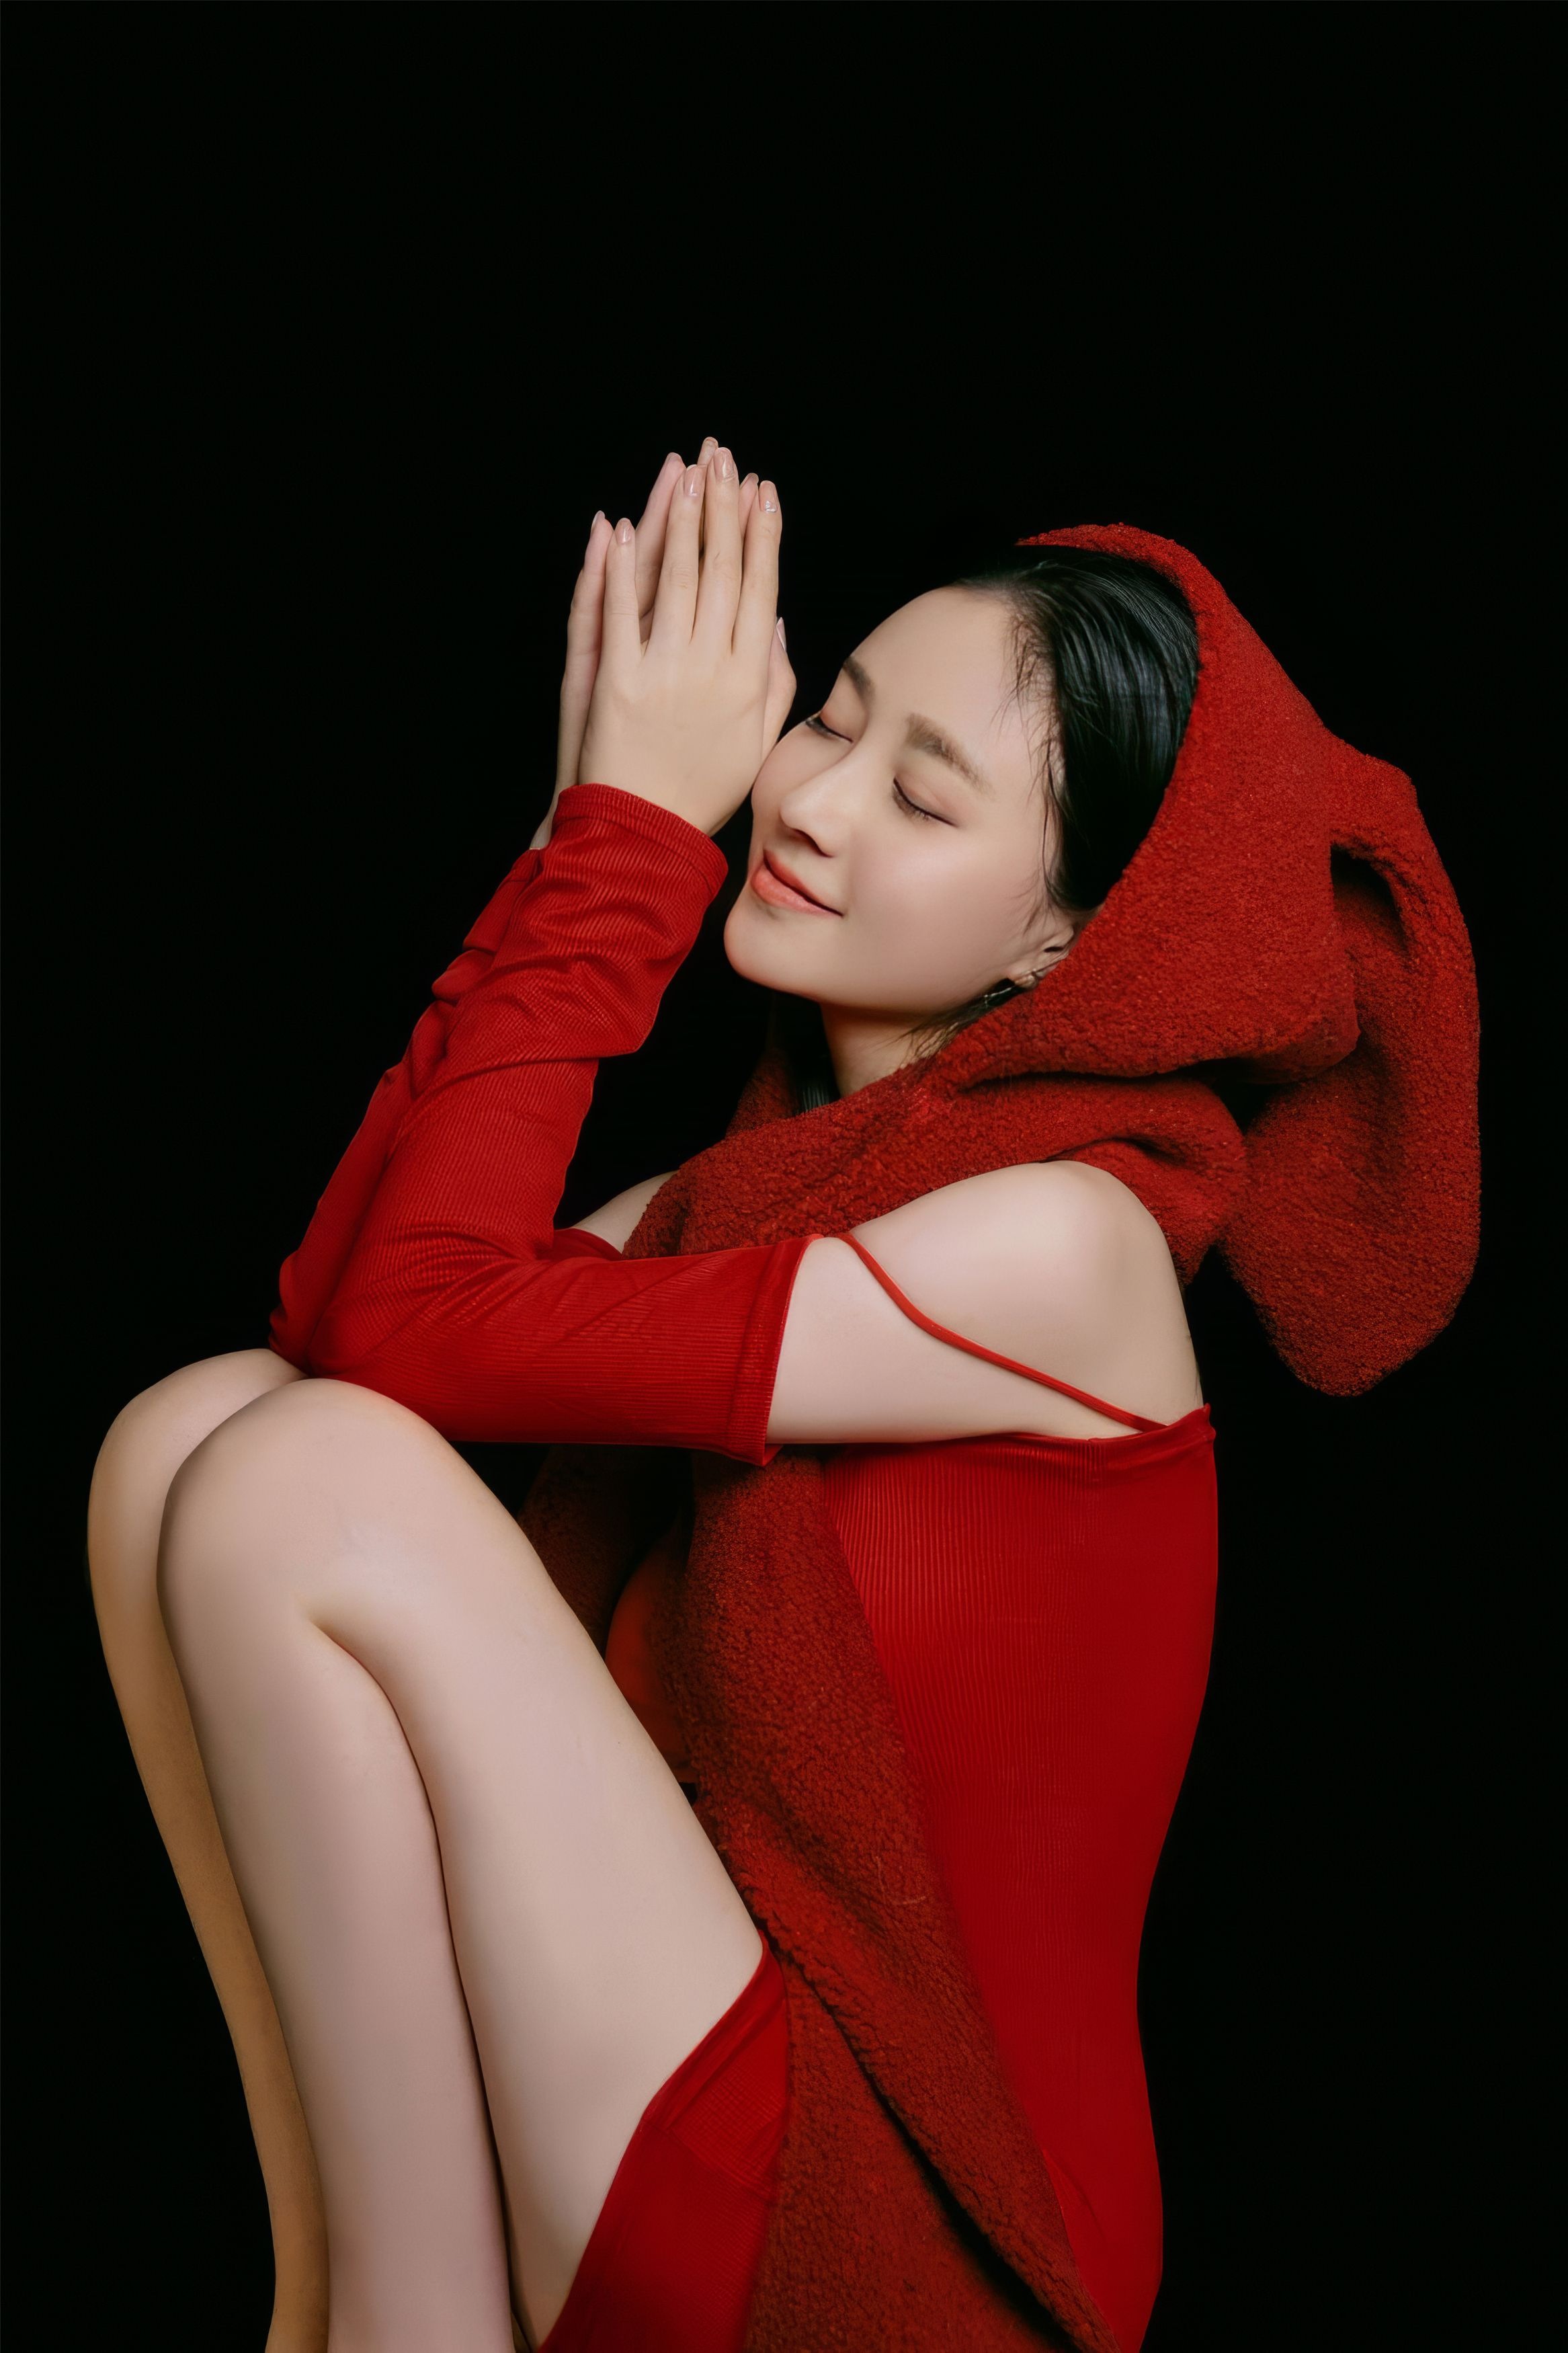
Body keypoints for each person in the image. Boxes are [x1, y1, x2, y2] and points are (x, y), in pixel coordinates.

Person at [86, 444, 1479, 2353]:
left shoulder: (1072, 1244)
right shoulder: (756, 1193)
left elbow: (391, 1368)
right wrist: (578, 838)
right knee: (192, 1435)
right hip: (708, 2065)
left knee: (299, 1473)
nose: (808, 799)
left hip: (896, 2219)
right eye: (829, 716)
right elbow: (349, 1323)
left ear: (1072, 940)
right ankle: (336, 2302)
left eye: (922, 791)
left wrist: (631, 847)